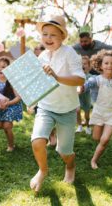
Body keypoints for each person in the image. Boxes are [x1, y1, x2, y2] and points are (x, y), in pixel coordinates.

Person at [30, 15, 85, 192]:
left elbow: (80, 80)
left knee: (64, 152)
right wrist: (33, 101)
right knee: (37, 141)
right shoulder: (42, 56)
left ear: (62, 37)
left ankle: (70, 166)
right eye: (45, 34)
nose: (48, 38)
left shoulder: (70, 53)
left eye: (53, 35)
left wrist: (57, 76)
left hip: (67, 110)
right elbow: (38, 82)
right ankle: (42, 170)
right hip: (46, 107)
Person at [0, 56, 23, 152]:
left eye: (4, 67)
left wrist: (8, 103)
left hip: (12, 106)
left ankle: (11, 145)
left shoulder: (12, 81)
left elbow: (18, 97)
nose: (0, 69)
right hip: (1, 106)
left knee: (7, 126)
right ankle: (7, 128)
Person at [28, 43, 57, 146]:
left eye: (37, 49)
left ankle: (53, 135)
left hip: (49, 92)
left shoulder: (49, 62)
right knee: (39, 114)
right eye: (35, 49)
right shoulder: (33, 63)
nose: (35, 51)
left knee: (49, 115)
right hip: (37, 92)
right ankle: (49, 136)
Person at [76, 56, 93, 134]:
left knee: (87, 115)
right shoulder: (76, 76)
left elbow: (89, 86)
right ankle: (79, 126)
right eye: (80, 64)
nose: (82, 65)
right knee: (77, 111)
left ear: (89, 66)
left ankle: (88, 126)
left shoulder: (90, 77)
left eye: (85, 64)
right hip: (77, 98)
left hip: (86, 98)